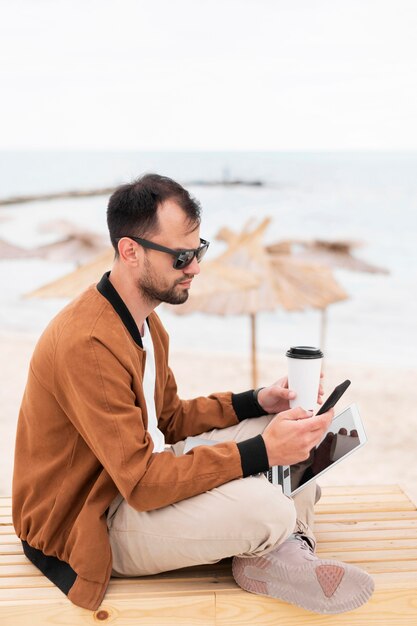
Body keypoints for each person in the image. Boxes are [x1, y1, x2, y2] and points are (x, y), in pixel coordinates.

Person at [12, 174, 374, 615]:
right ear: (130, 251)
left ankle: (283, 553)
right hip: (89, 518)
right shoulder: (88, 344)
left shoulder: (144, 322)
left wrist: (258, 402)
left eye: (199, 251)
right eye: (182, 256)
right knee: (270, 505)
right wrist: (259, 454)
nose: (196, 267)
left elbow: (171, 420)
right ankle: (282, 538)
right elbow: (143, 484)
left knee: (286, 425)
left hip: (132, 479)